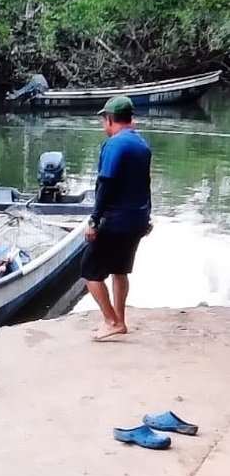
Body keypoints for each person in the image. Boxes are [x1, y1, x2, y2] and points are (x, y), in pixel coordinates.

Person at [82, 96, 152, 341]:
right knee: (120, 270)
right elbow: (144, 186)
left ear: (109, 119)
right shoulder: (142, 144)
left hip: (116, 221)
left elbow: (106, 185)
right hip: (137, 220)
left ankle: (111, 320)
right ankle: (119, 321)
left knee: (90, 272)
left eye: (104, 120)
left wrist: (94, 221)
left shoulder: (114, 145)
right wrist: (147, 216)